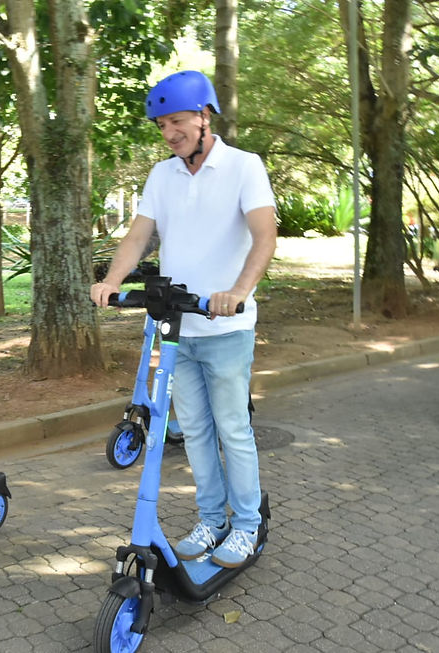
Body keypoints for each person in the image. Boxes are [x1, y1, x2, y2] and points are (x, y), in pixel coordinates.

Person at [90, 71, 277, 568]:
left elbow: (264, 237)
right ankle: (212, 520)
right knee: (193, 431)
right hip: (176, 330)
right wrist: (112, 280)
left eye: (177, 122)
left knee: (232, 429)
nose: (169, 132)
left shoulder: (244, 166)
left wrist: (239, 292)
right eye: (162, 125)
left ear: (204, 117)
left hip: (226, 327)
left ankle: (245, 525)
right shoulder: (161, 175)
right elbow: (137, 237)